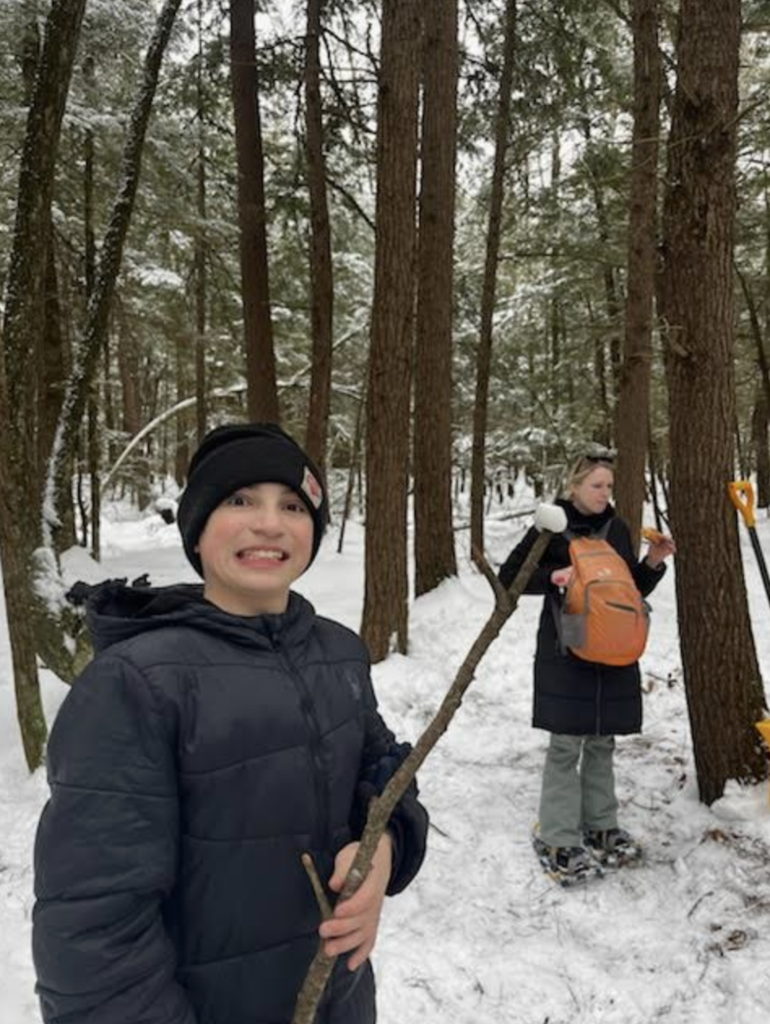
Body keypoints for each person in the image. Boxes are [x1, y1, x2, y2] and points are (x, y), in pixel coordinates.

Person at [33, 422, 428, 1024]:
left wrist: (385, 853)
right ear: (196, 529)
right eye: (239, 499)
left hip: (338, 1001)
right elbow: (91, 933)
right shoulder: (136, 683)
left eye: (293, 505)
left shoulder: (338, 653)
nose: (269, 523)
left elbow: (386, 774)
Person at [498, 449, 675, 883]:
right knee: (566, 743)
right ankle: (558, 835)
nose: (604, 493)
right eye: (597, 485)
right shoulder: (550, 525)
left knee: (602, 740)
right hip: (569, 639)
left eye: (609, 486)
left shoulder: (616, 528)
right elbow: (509, 578)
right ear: (573, 486)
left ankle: (601, 827)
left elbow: (625, 587)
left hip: (614, 643)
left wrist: (653, 561)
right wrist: (554, 577)